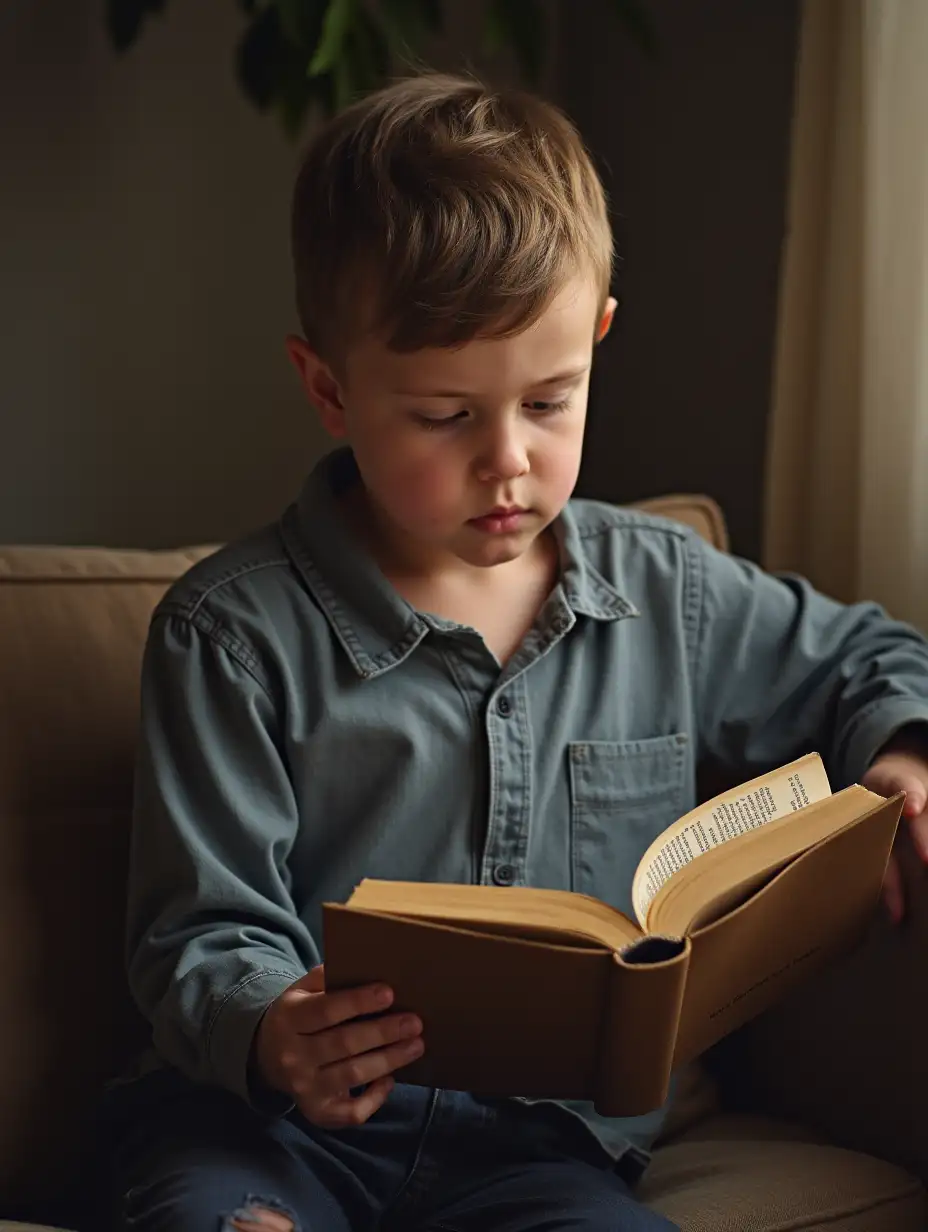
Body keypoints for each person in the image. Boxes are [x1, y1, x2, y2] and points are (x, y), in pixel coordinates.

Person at [95, 72, 928, 1232]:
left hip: (543, 1153)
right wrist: (274, 1020)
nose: (508, 461)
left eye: (549, 401)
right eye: (445, 415)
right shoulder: (229, 634)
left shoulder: (664, 589)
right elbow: (196, 925)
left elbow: (866, 656)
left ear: (597, 336)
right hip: (278, 1131)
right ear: (327, 387)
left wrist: (897, 752)